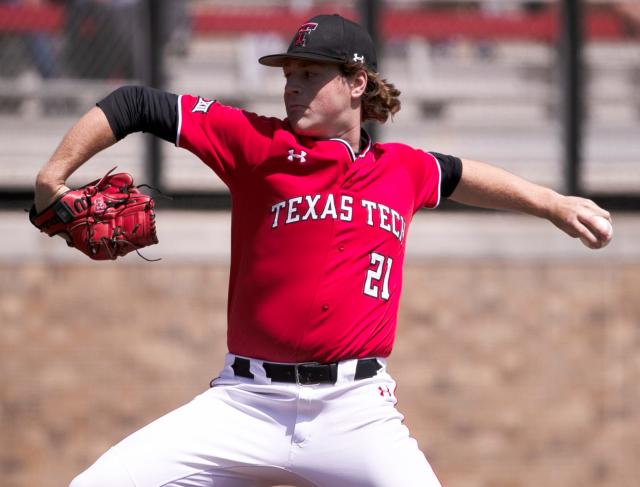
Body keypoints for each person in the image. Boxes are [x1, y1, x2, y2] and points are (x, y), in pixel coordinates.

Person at [33, 14, 612, 487]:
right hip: (245, 403)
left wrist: (552, 203)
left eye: (310, 74)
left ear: (357, 82)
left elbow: (460, 175)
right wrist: (53, 176)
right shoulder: (257, 143)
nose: (292, 86)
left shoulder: (401, 170)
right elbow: (135, 103)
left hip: (355, 410)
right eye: (289, 74)